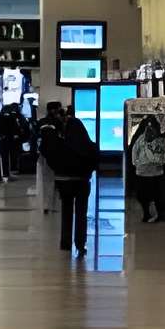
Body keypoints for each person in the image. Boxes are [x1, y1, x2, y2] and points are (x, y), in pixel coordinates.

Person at [39, 105, 100, 255]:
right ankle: (80, 244)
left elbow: (51, 157)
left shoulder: (61, 145)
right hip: (82, 182)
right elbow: (95, 162)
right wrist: (86, 172)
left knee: (66, 212)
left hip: (64, 182)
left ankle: (65, 242)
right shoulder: (89, 146)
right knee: (81, 214)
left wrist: (59, 171)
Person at [125, 101, 165, 226]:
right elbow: (135, 150)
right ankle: (150, 213)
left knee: (148, 194)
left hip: (148, 171)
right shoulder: (152, 137)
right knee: (149, 194)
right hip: (150, 170)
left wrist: (136, 163)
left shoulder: (147, 137)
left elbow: (135, 150)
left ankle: (150, 214)